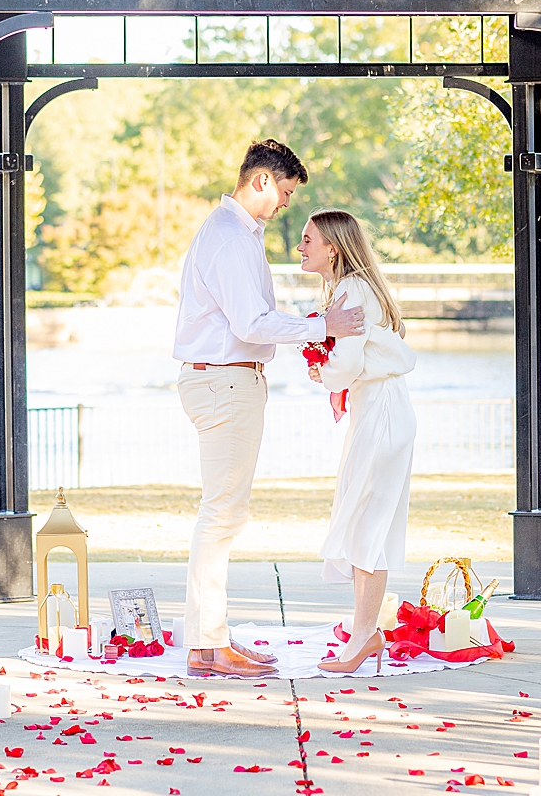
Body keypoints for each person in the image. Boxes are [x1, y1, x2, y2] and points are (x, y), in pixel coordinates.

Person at [174, 139, 366, 678]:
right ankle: (209, 647)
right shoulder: (231, 236)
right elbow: (252, 325)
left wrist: (308, 330)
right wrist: (322, 326)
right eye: (283, 191)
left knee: (224, 514)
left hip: (225, 382)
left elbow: (253, 319)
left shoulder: (233, 233)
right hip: (225, 384)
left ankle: (209, 641)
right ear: (260, 181)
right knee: (221, 516)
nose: (285, 204)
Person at [295, 209, 417, 675]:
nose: (301, 247)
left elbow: (344, 365)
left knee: (368, 519)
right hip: (378, 408)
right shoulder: (351, 289)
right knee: (368, 518)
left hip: (381, 414)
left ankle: (364, 637)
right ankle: (365, 632)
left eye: (309, 240)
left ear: (334, 248)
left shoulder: (351, 291)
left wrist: (320, 371)